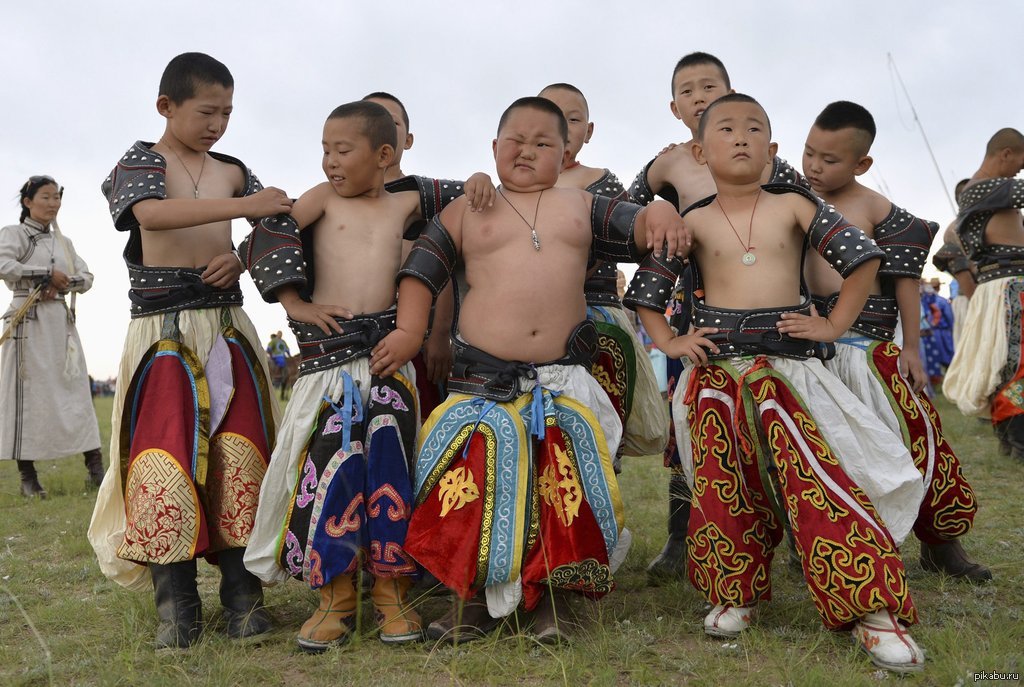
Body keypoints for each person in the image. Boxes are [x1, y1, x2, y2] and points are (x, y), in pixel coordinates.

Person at [625, 94, 926, 673]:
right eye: (727, 129)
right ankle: (735, 593)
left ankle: (872, 607)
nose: (741, 137)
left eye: (754, 128)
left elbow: (864, 258)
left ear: (773, 149)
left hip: (791, 373)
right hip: (716, 377)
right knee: (723, 486)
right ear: (699, 149)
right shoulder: (690, 221)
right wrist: (668, 342)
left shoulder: (796, 206)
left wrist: (834, 324)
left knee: (822, 479)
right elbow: (647, 295)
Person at [370, 96, 687, 644]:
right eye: (515, 140)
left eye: (544, 143)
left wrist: (658, 213)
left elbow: (646, 236)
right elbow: (421, 271)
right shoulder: (469, 208)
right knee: (468, 497)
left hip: (562, 379)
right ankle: (469, 602)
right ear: (493, 148)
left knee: (563, 499)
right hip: (480, 382)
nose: (527, 150)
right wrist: (408, 332)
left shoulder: (581, 207)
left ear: (565, 154)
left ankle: (557, 606)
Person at [241, 100, 494, 652]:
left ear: (385, 155)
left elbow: (466, 199)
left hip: (388, 359)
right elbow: (270, 231)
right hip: (329, 365)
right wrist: (293, 302)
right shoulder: (322, 198)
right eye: (325, 149)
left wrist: (479, 179)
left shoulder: (410, 200)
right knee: (329, 468)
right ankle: (335, 597)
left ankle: (390, 592)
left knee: (391, 467)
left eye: (342, 150)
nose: (330, 161)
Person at [87, 52, 292, 650]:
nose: (218, 124)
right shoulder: (139, 163)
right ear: (166, 106)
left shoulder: (232, 168)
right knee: (163, 457)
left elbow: (276, 220)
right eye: (207, 111)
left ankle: (243, 599)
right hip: (162, 334)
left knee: (241, 452)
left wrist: (244, 252)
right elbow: (149, 214)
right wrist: (245, 209)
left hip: (228, 325)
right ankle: (177, 609)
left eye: (227, 112)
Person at [627, 52, 806, 583]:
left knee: (786, 423)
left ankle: (800, 534)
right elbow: (626, 220)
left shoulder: (766, 159)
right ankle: (682, 538)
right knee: (695, 427)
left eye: (710, 86)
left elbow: (806, 220)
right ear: (675, 105)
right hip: (694, 314)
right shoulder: (668, 164)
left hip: (772, 312)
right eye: (688, 89)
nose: (699, 95)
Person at [801, 101, 989, 582]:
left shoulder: (877, 208)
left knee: (914, 438)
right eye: (810, 154)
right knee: (823, 450)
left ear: (862, 164)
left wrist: (911, 348)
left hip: (870, 346)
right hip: (808, 349)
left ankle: (941, 542)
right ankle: (820, 544)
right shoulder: (790, 198)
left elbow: (906, 280)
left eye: (831, 160)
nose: (816, 168)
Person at [538, 82, 668, 469]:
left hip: (595, 317)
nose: (561, 127)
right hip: (531, 318)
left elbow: (626, 240)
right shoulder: (516, 187)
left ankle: (605, 517)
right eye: (550, 117)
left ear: (588, 132)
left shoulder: (601, 181)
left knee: (598, 426)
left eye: (572, 119)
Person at [1, 175, 104, 497]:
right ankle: (28, 477)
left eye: (56, 197)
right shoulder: (14, 234)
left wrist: (62, 282)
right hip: (26, 325)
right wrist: (42, 275)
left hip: (61, 326)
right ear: (28, 202)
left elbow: (86, 277)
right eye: (45, 197)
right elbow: (3, 264)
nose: (53, 203)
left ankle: (95, 469)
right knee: (27, 398)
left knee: (75, 393)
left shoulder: (64, 242)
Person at [362, 91, 457, 422]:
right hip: (355, 336)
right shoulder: (334, 197)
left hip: (415, 336)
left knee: (419, 425)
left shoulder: (425, 197)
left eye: (392, 122)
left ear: (409, 138)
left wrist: (441, 334)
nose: (381, 129)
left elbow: (442, 269)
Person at [944, 128, 1024, 460]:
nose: (1019, 170)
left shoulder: (990, 193)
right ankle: (1017, 436)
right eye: (1019, 162)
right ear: (1005, 153)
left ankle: (1011, 434)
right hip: (1009, 287)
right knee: (1016, 363)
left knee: (1006, 363)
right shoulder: (983, 189)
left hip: (1004, 287)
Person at [932, 179, 976, 346]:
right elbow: (963, 273)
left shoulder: (988, 223)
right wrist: (979, 304)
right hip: (971, 300)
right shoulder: (955, 229)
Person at [920, 277, 955, 385]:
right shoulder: (942, 301)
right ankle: (950, 379)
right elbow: (949, 317)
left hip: (931, 331)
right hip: (943, 332)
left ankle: (940, 379)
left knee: (936, 356)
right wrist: (951, 327)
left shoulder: (924, 300)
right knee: (948, 355)